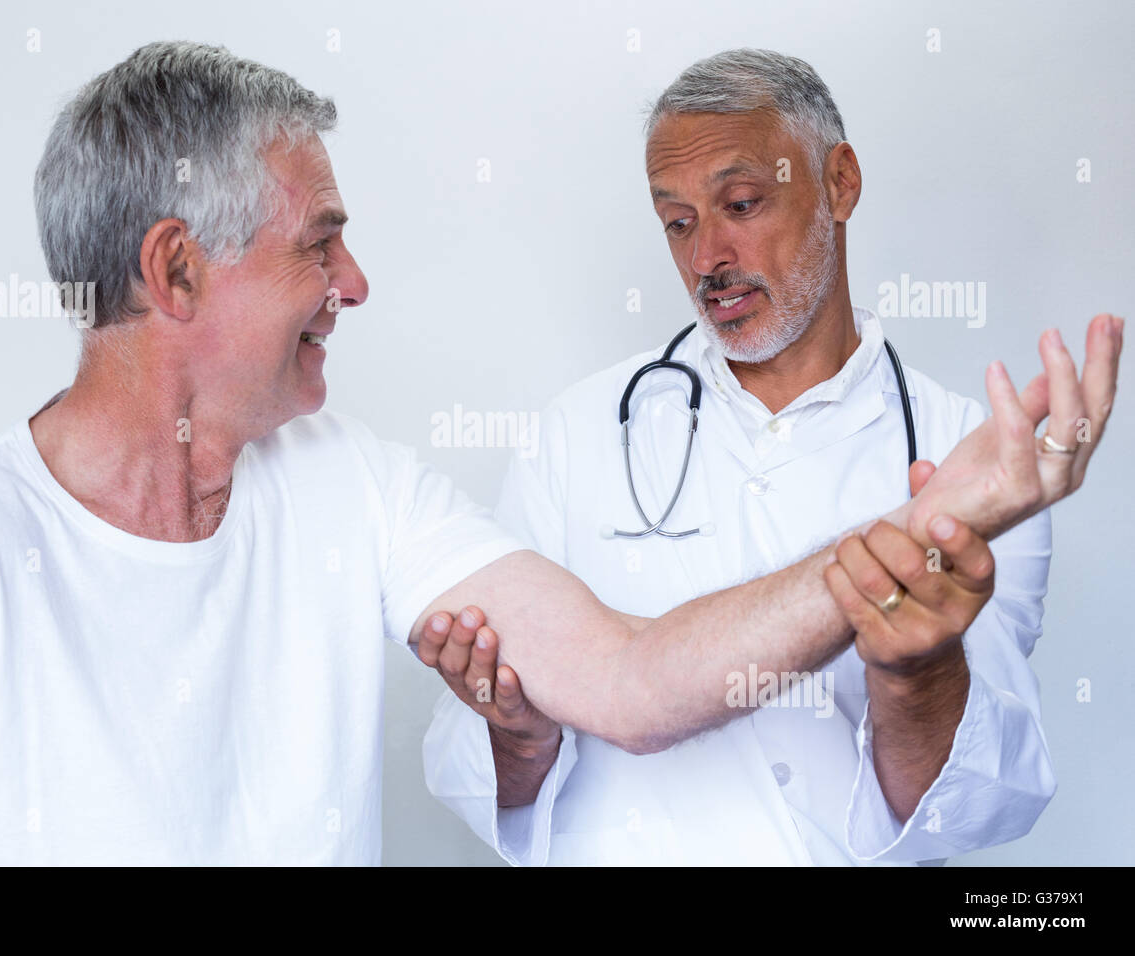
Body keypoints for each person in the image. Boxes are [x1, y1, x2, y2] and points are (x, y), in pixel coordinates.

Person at [0, 42, 1117, 865]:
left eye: (740, 202)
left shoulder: (350, 483)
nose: (357, 281)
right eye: (317, 244)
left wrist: (941, 520)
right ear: (176, 268)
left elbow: (622, 677)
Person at [421, 48, 1123, 865]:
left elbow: (970, 810)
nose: (706, 255)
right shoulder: (577, 435)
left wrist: (917, 672)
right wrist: (518, 735)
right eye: (678, 222)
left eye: (741, 203)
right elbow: (475, 770)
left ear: (840, 183)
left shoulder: (973, 463)